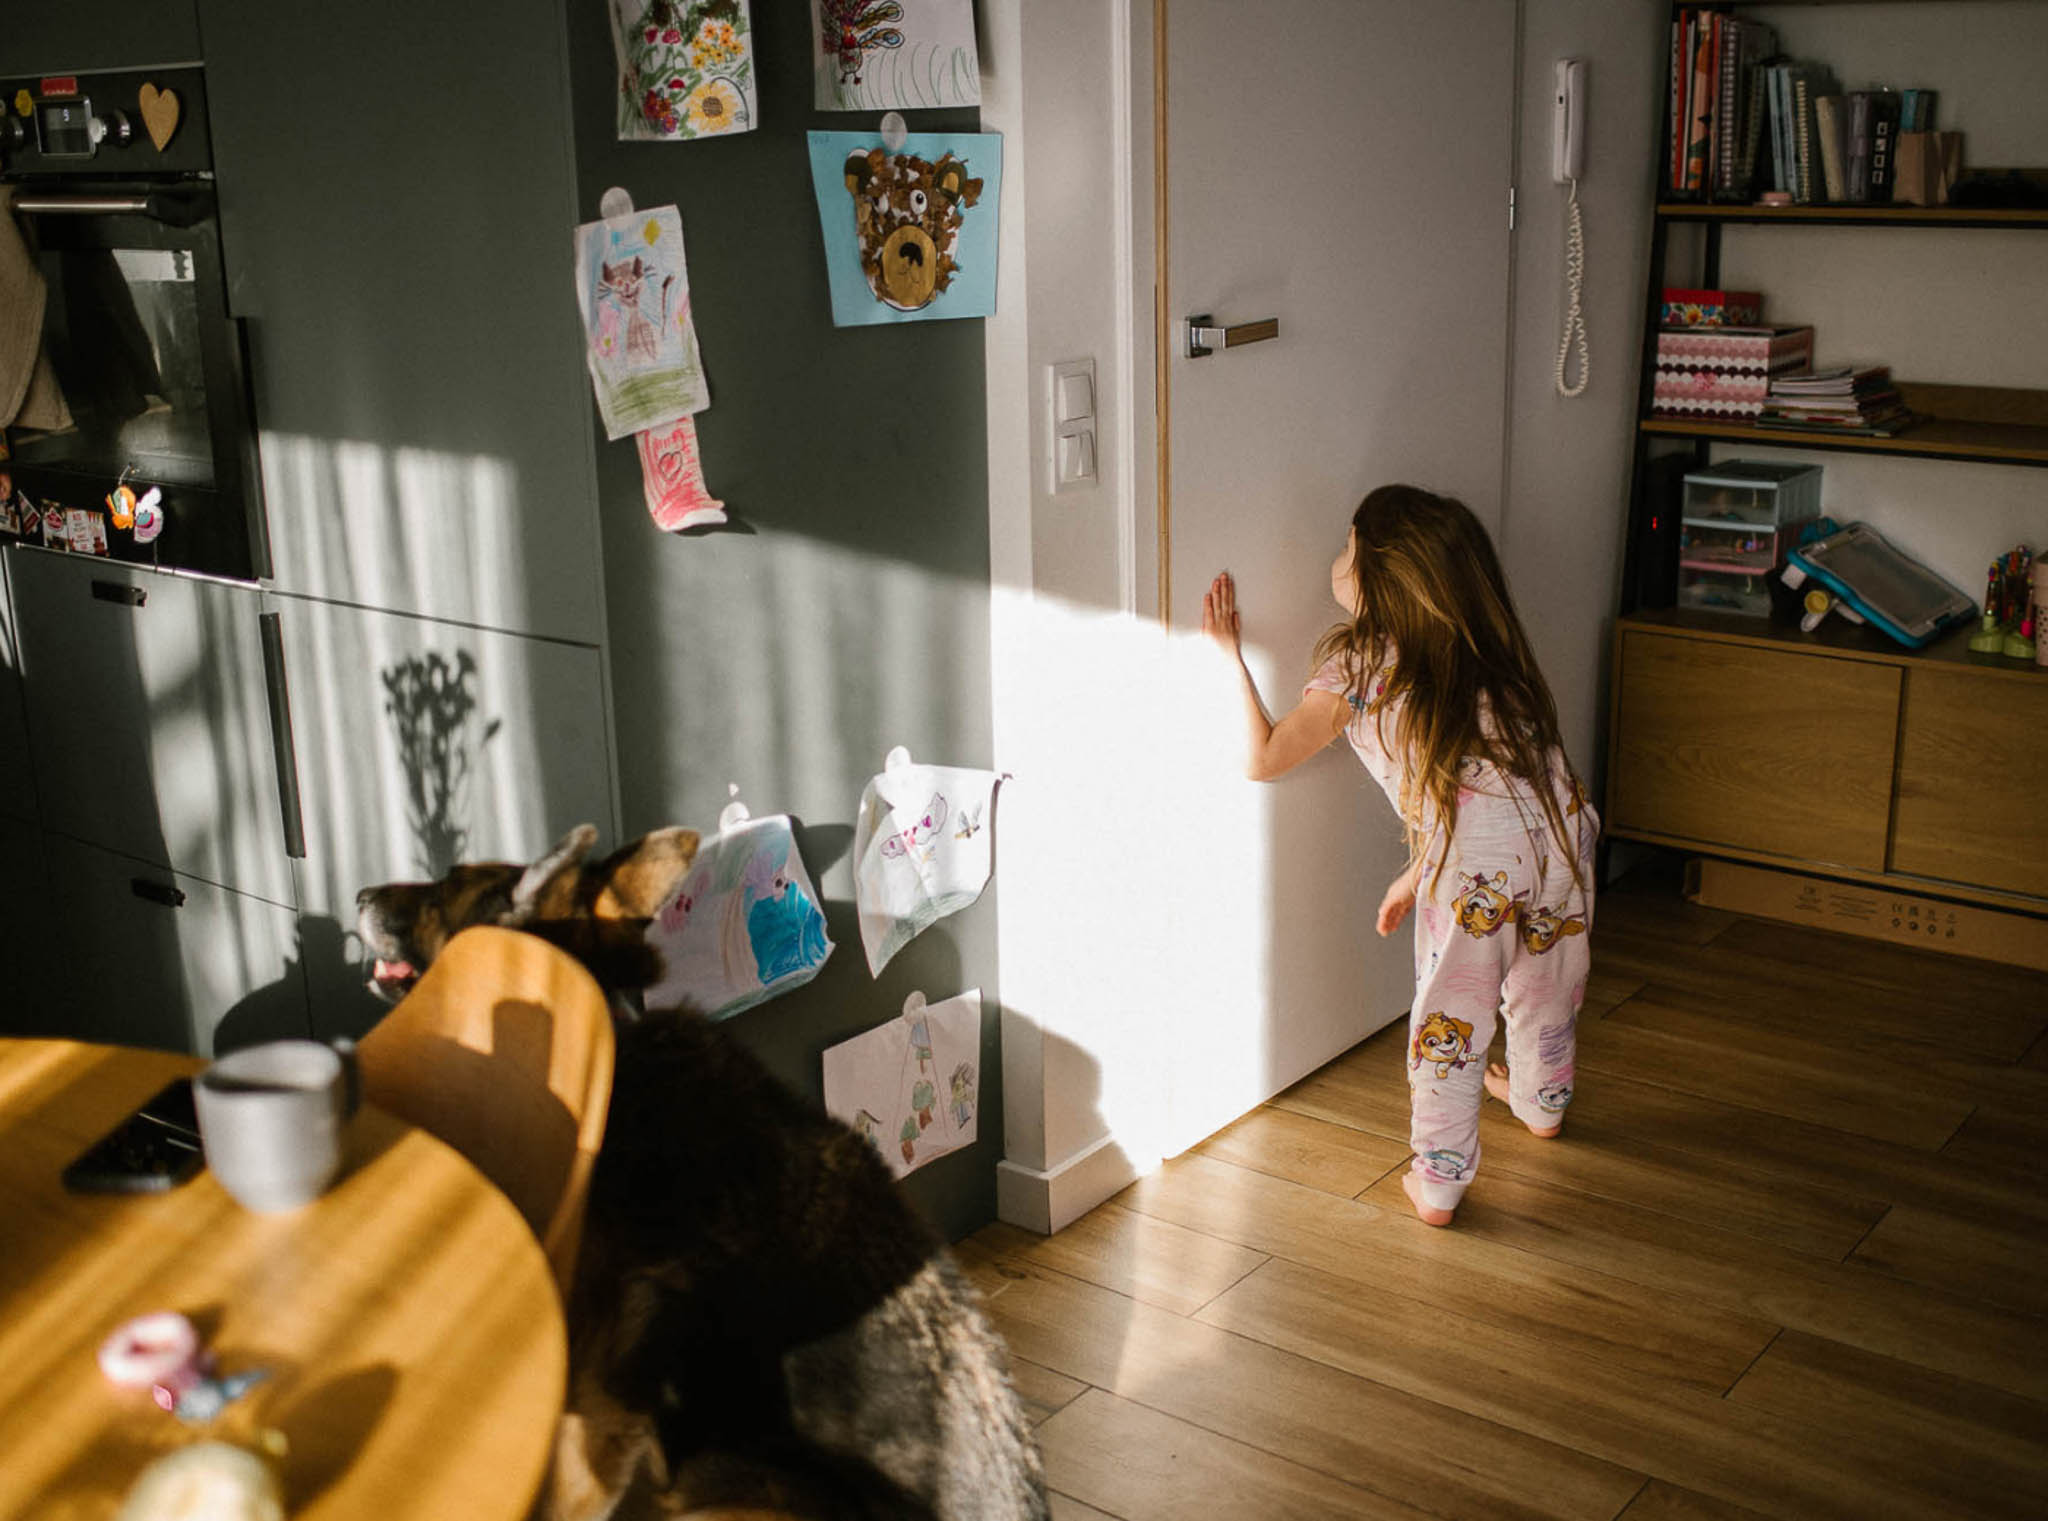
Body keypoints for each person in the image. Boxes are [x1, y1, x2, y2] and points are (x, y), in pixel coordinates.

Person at [1202, 484, 1598, 1227]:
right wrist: (1422, 871)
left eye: (1347, 546)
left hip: (1480, 859)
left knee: (1454, 1017)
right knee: (1548, 982)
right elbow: (1490, 790)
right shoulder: (1481, 652)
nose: (1337, 557)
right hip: (1563, 829)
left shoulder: (1358, 665)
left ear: (1376, 574)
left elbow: (1263, 757)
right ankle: (1543, 1102)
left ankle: (1439, 1182)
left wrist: (1228, 658)